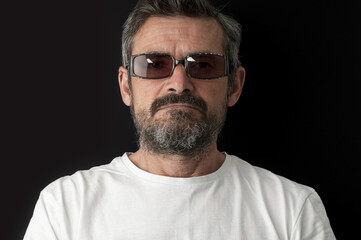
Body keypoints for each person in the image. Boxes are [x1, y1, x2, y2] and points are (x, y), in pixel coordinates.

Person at [24, 0, 336, 239]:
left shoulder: (293, 210)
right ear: (125, 85)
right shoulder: (64, 208)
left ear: (235, 86)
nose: (179, 82)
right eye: (154, 63)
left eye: (202, 64)